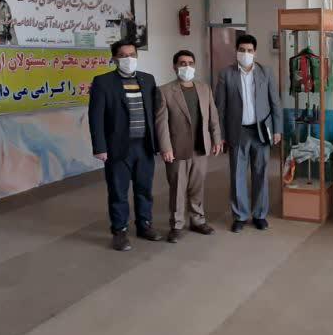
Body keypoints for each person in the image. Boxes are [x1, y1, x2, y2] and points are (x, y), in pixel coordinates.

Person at [89, 39, 162, 251]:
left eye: (132, 55)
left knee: (144, 189)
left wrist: (159, 143)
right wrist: (100, 147)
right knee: (118, 191)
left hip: (144, 146)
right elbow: (96, 117)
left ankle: (144, 225)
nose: (128, 59)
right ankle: (119, 231)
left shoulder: (148, 80)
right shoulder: (103, 82)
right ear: (114, 58)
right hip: (117, 147)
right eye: (123, 55)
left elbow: (155, 114)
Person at [214, 34, 282, 232]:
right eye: (242, 50)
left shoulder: (265, 72)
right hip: (238, 131)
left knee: (261, 173)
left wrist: (277, 130)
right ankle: (240, 216)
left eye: (249, 50)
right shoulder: (226, 74)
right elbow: (220, 108)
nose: (246, 54)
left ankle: (260, 215)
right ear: (236, 51)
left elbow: (275, 103)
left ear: (255, 52)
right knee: (237, 175)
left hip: (261, 131)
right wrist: (221, 135)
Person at [155, 50, 223, 242]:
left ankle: (198, 220)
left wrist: (217, 139)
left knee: (197, 187)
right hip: (177, 149)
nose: (187, 67)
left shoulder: (204, 88)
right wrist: (165, 148)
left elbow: (213, 116)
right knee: (177, 188)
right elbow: (161, 122)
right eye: (182, 63)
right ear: (174, 66)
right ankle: (176, 225)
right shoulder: (164, 91)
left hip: (200, 147)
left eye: (190, 63)